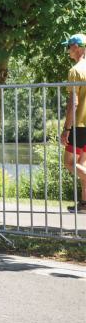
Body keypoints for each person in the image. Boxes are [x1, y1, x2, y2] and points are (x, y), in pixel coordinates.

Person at [59, 34, 86, 214]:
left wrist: (66, 129)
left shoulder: (75, 70)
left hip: (79, 125)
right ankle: (84, 204)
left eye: (69, 47)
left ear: (76, 47)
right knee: (83, 164)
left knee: (69, 163)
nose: (68, 50)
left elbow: (73, 103)